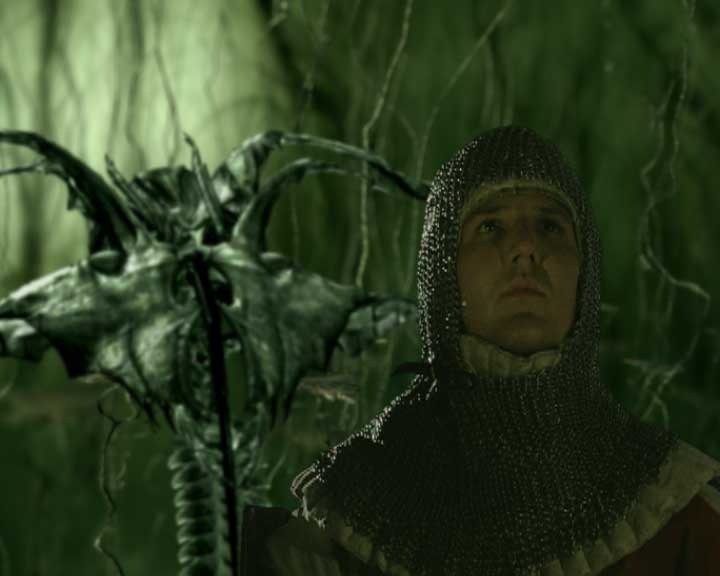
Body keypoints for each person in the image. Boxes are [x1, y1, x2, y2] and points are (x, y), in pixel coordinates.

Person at [241, 126, 720, 575]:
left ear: (585, 272)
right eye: (490, 227)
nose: (525, 248)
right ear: (444, 272)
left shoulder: (674, 512)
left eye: (550, 227)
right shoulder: (358, 510)